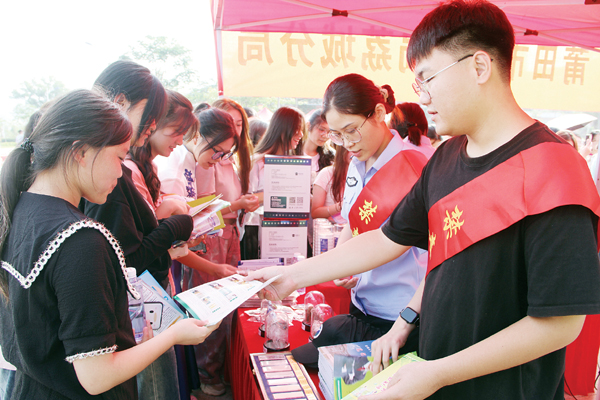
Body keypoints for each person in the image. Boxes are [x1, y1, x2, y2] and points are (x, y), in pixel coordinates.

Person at [249, 1, 600, 399]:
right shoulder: (446, 158)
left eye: (427, 78)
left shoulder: (554, 169)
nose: (423, 97)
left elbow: (560, 323)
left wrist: (438, 374)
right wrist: (293, 277)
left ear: (479, 66)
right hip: (434, 371)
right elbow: (386, 239)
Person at [0, 89, 218, 399]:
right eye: (119, 157)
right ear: (81, 152)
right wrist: (172, 335)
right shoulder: (80, 240)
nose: (120, 171)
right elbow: (97, 377)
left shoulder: (19, 209)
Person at [290, 74, 430, 369]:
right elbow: (352, 223)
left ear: (378, 113)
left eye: (352, 131)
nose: (347, 144)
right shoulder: (356, 163)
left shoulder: (414, 169)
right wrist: (343, 262)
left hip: (398, 314)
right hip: (361, 300)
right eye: (337, 135)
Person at [80, 60, 192, 400]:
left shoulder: (113, 173)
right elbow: (128, 258)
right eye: (152, 117)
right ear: (120, 103)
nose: (151, 127)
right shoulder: (107, 182)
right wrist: (173, 226)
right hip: (136, 310)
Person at [156, 106, 240, 397]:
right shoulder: (174, 167)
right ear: (197, 135)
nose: (218, 160)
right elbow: (170, 240)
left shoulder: (193, 162)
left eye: (224, 155)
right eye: (217, 152)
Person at [196, 99, 258, 266]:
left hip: (230, 232)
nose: (234, 130)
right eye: (229, 123)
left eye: (238, 124)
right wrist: (239, 204)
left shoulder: (229, 159)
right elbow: (204, 209)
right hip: (213, 235)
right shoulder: (208, 160)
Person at [242, 106, 306, 260]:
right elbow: (246, 200)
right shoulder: (256, 162)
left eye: (302, 129)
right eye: (297, 129)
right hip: (256, 231)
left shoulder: (295, 163)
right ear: (282, 128)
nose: (301, 134)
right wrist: (280, 192)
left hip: (288, 232)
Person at [311, 145, 349, 225]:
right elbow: (315, 213)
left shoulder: (364, 175)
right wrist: (341, 206)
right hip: (331, 228)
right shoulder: (326, 174)